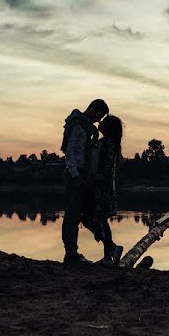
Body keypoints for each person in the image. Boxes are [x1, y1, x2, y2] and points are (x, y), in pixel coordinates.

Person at [60, 98, 108, 264]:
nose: (99, 120)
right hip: (76, 174)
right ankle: (70, 254)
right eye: (99, 116)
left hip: (84, 174)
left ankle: (73, 252)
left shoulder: (88, 129)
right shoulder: (77, 125)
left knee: (79, 213)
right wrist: (75, 176)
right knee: (72, 215)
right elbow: (70, 151)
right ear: (93, 109)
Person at [88, 115, 124, 265]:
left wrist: (97, 179)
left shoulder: (109, 144)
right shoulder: (104, 142)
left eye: (103, 121)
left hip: (103, 187)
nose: (99, 122)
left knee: (100, 219)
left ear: (108, 127)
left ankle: (109, 253)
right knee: (97, 219)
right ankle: (110, 251)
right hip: (99, 185)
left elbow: (107, 167)